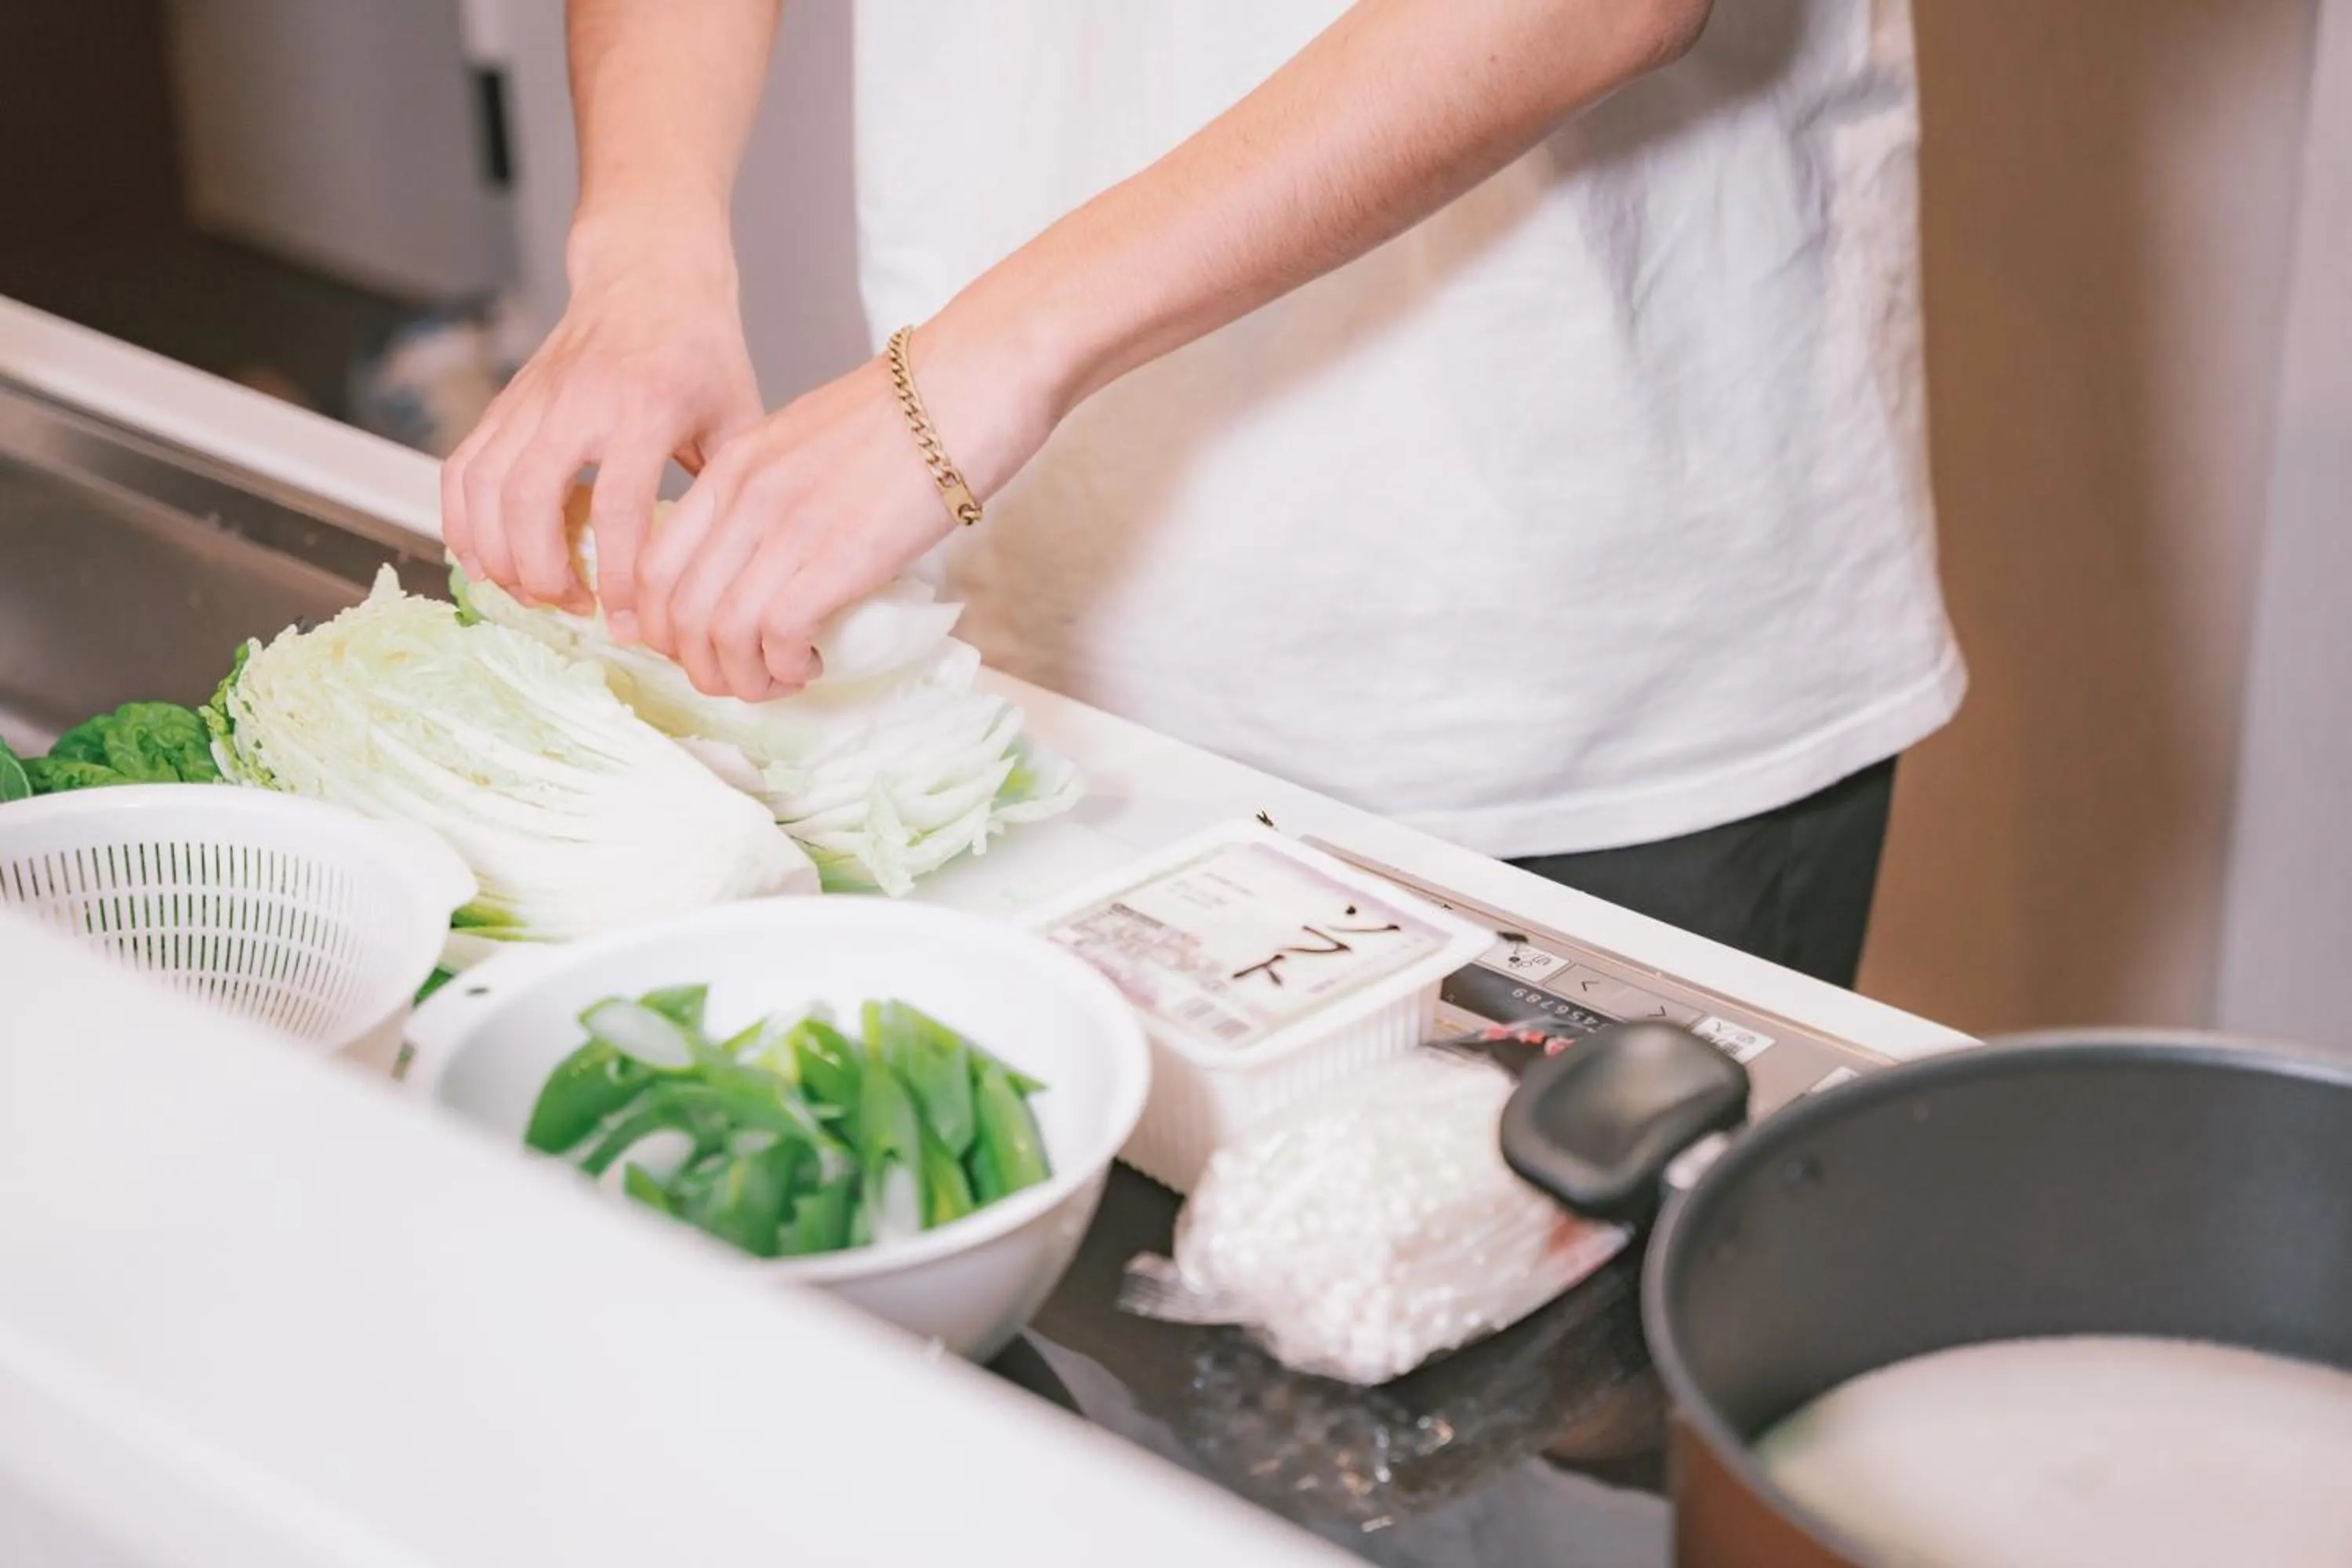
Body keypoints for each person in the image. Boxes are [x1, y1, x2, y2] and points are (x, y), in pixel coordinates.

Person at [445, 0, 1965, 989]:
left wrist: (986, 363)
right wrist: (644, 245)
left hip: (1560, 658)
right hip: (1034, 627)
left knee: (1544, 1453)